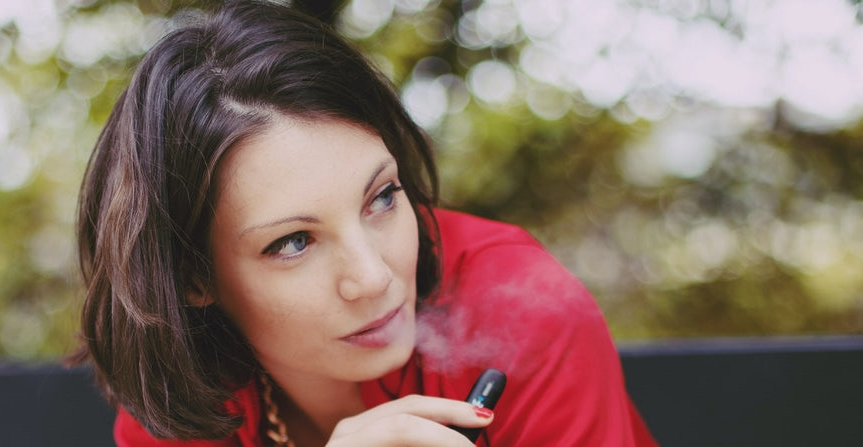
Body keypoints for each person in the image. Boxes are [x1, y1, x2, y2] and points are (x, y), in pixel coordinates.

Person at [71, 1, 657, 446]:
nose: (374, 277)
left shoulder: (523, 308)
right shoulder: (180, 391)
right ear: (192, 278)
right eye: (294, 242)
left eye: (381, 198)